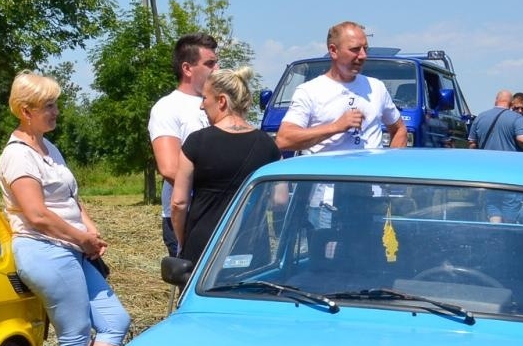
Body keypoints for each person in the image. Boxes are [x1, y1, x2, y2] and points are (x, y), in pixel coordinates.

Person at [0, 71, 131, 346]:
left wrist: (89, 227)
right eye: (48, 106)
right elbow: (37, 215)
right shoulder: (18, 156)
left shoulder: (49, 148)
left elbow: (70, 197)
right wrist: (80, 238)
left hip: (71, 247)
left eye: (55, 104)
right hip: (44, 250)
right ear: (25, 111)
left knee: (116, 320)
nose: (56, 111)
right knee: (75, 332)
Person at [170, 66, 278, 265]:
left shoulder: (196, 142)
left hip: (204, 247)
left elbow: (178, 203)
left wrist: (183, 242)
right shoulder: (268, 144)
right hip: (253, 247)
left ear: (221, 101)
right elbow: (280, 200)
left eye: (204, 98)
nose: (201, 106)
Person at [275, 21, 405, 155]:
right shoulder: (309, 91)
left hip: (370, 168)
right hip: (326, 168)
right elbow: (284, 140)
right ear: (333, 51)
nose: (363, 56)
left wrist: (391, 162)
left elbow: (399, 129)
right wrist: (336, 127)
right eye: (355, 49)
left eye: (365, 49)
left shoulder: (376, 87)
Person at [149, 33, 219, 256]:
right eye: (210, 64)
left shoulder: (220, 103)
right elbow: (169, 168)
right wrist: (218, 188)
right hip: (186, 214)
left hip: (221, 211)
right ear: (187, 68)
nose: (217, 69)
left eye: (216, 62)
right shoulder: (168, 107)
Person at [469, 91, 523, 223]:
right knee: (510, 204)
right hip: (510, 171)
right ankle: (507, 230)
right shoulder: (516, 118)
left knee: (492, 203)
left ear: (496, 101)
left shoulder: (481, 117)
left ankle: (495, 228)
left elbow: (472, 144)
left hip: (488, 171)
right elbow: (522, 139)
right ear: (511, 104)